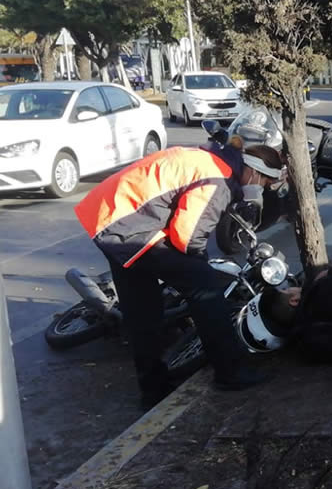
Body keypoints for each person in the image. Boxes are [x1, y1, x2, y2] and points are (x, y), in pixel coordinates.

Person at [74, 141, 285, 408]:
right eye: (264, 183)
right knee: (206, 288)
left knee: (142, 312)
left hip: (108, 215)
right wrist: (201, 267)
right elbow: (188, 239)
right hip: (128, 225)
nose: (261, 188)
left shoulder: (213, 159)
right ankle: (230, 372)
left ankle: (154, 390)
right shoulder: (217, 180)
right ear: (254, 173)